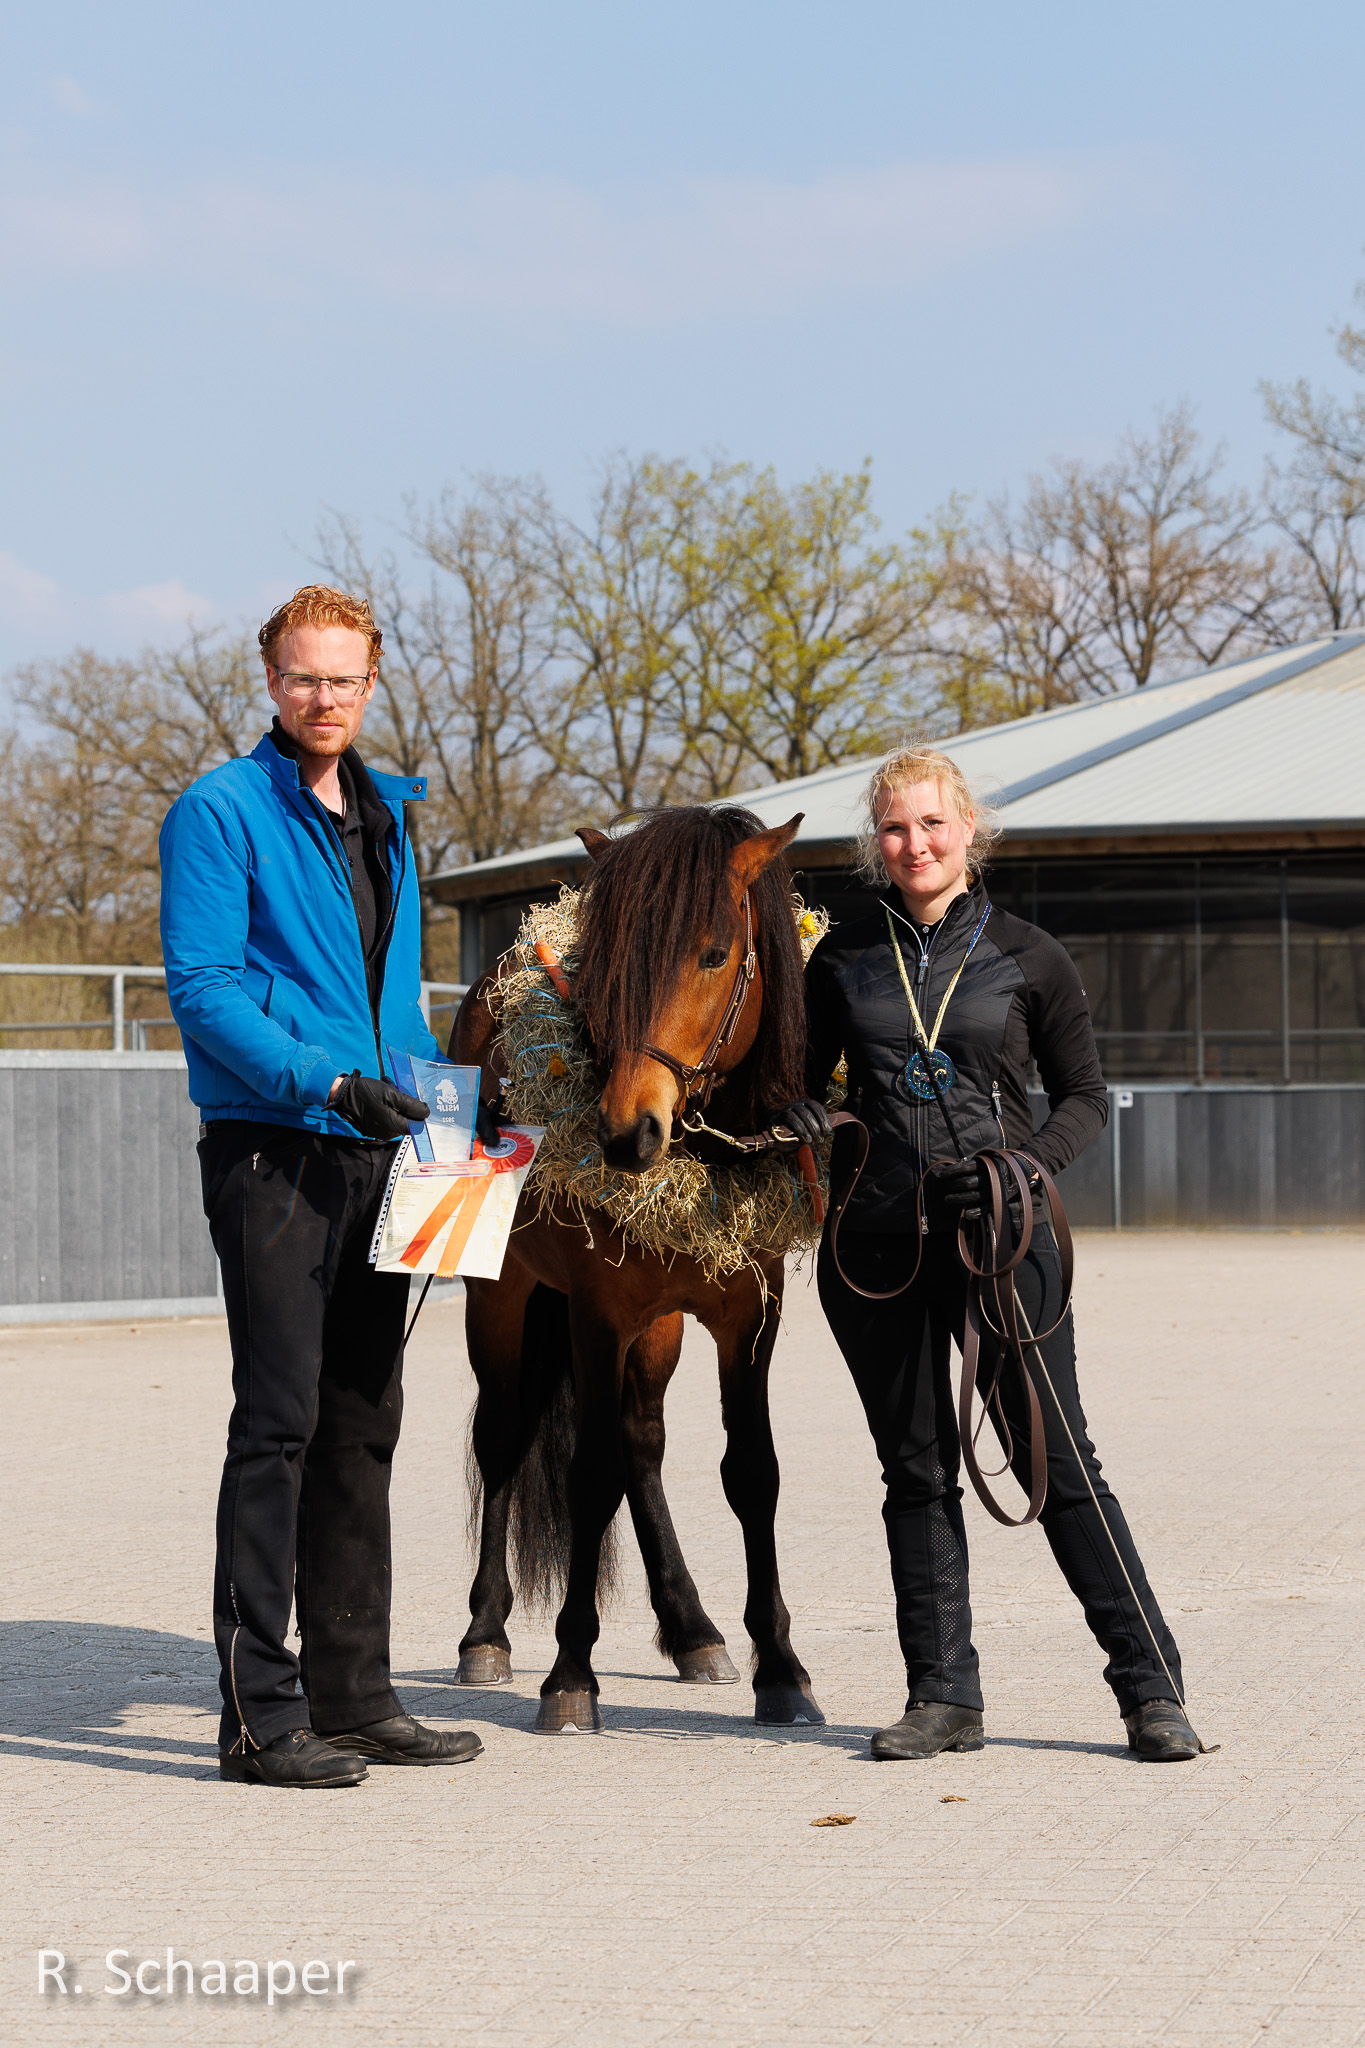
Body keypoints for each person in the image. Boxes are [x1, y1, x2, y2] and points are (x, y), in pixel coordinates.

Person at [781, 744, 1198, 1764]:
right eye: (893, 827)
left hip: (1005, 1237)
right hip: (873, 1244)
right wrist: (811, 1117)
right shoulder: (838, 958)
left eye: (930, 823)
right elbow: (800, 1081)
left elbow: (1086, 1096)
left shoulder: (1029, 954)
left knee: (1060, 1464)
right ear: (874, 843)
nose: (913, 843)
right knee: (915, 1470)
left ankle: (1151, 1690)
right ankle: (942, 1697)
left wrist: (1023, 1162)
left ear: (967, 829)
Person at [160, 584, 484, 1789]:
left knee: (365, 1419)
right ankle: (258, 1715)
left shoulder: (390, 818)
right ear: (270, 681)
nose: (324, 697)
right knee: (279, 1424)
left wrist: (452, 1110)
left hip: (380, 1145)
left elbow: (392, 1001)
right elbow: (201, 987)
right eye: (303, 677)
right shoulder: (220, 810)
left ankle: (354, 1693)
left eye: (344, 678)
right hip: (273, 1149)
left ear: (374, 679)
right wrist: (325, 1078)